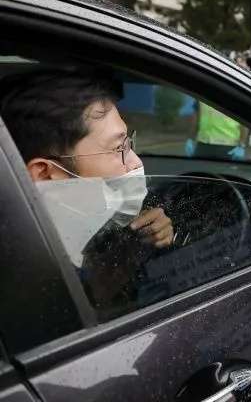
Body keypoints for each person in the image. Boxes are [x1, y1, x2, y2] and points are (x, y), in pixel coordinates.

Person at [0, 70, 173, 311]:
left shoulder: (81, 232)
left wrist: (147, 242)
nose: (135, 162)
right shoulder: (29, 283)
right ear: (45, 174)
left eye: (128, 143)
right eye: (117, 148)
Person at [185, 57, 250, 160]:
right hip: (204, 145)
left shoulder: (237, 95)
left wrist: (241, 146)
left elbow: (245, 123)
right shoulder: (203, 92)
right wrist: (190, 139)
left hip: (227, 147)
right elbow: (196, 117)